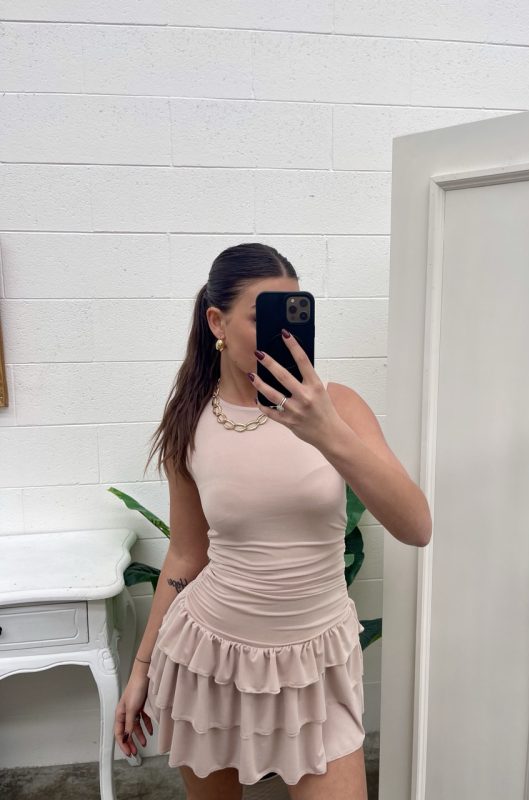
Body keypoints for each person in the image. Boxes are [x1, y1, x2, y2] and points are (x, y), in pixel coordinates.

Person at [113, 242, 431, 800]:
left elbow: (416, 527)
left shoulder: (339, 407)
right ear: (218, 323)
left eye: (294, 314)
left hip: (315, 667)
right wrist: (141, 668)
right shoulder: (192, 421)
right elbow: (186, 555)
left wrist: (326, 432)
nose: (283, 334)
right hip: (211, 659)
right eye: (263, 317)